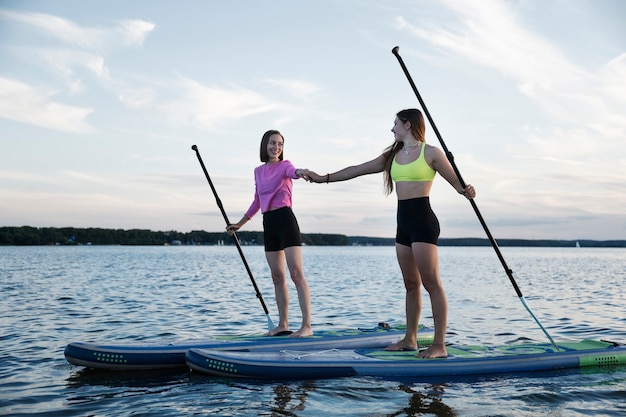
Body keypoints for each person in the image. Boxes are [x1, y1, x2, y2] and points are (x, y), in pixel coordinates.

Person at [307, 109, 475, 358]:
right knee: (410, 284)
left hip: (423, 223)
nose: (392, 128)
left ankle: (439, 345)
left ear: (407, 124)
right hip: (403, 223)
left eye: (395, 123)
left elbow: (458, 184)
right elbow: (358, 169)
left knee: (431, 283)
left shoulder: (430, 153)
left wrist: (466, 189)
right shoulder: (393, 155)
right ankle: (410, 339)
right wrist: (324, 178)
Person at [227, 129, 313, 338]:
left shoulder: (285, 166)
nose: (276, 147)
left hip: (285, 220)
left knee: (296, 274)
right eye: (273, 143)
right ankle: (283, 324)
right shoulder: (258, 171)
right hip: (269, 223)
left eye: (280, 144)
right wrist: (239, 224)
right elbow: (257, 200)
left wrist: (301, 172)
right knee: (277, 277)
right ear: (265, 145)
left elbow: (293, 172)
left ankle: (306, 326)